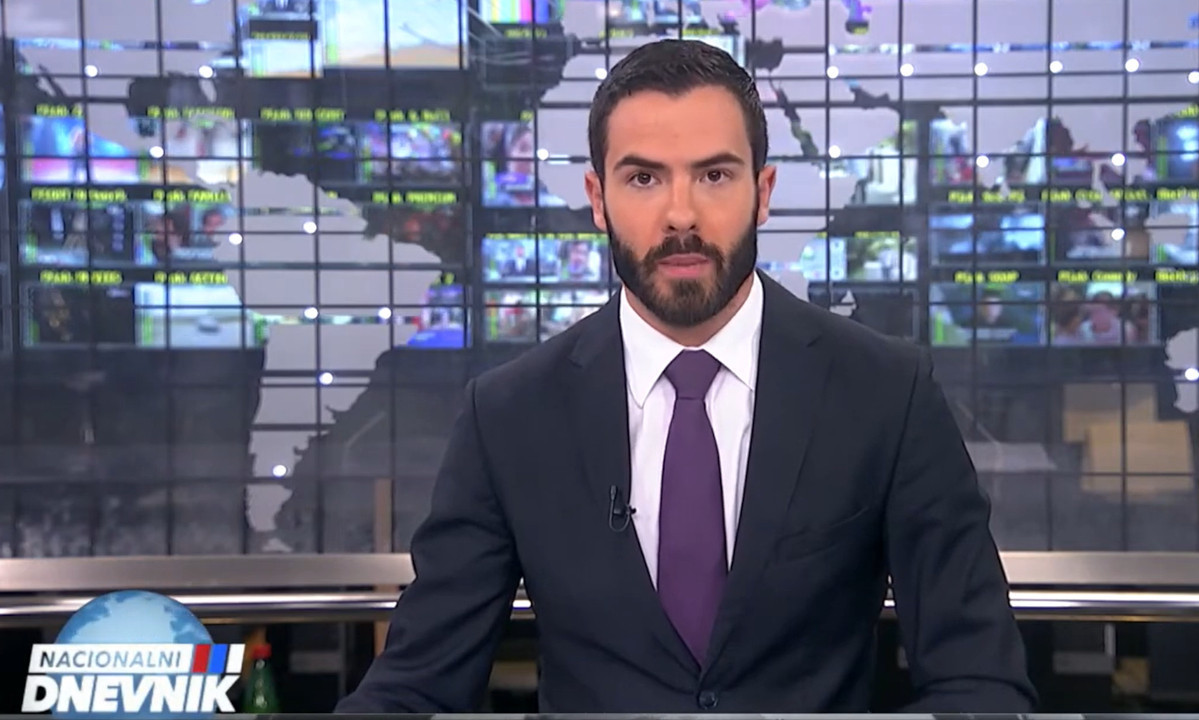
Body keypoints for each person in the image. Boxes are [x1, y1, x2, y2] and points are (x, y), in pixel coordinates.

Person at [334, 39, 1035, 714]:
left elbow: (982, 685)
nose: (680, 215)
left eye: (714, 176)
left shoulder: (886, 393)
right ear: (598, 198)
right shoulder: (510, 415)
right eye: (643, 178)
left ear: (762, 192)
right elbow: (415, 687)